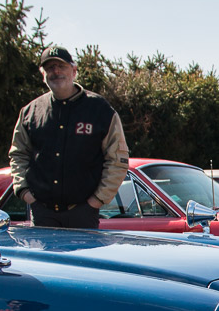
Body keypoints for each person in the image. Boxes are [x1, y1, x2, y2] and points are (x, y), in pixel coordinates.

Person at [9, 45, 129, 228]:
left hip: (83, 213)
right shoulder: (30, 112)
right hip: (42, 214)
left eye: (61, 66)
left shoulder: (100, 110)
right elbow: (18, 155)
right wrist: (25, 192)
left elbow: (118, 159)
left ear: (74, 71)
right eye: (50, 68)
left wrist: (97, 200)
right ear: (43, 74)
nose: (56, 72)